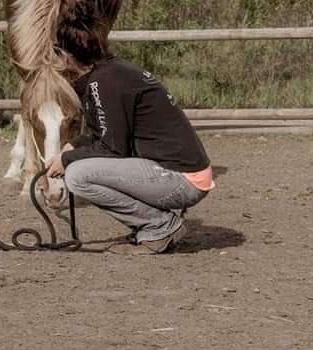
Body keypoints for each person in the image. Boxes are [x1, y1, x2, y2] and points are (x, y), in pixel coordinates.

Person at [46, 28, 214, 255]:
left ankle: (159, 226)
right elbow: (109, 131)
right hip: (178, 173)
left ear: (67, 56)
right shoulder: (107, 74)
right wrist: (75, 144)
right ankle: (157, 225)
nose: (52, 58)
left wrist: (67, 159)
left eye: (55, 51)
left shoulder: (104, 82)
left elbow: (112, 148)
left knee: (77, 175)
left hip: (181, 180)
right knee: (77, 168)